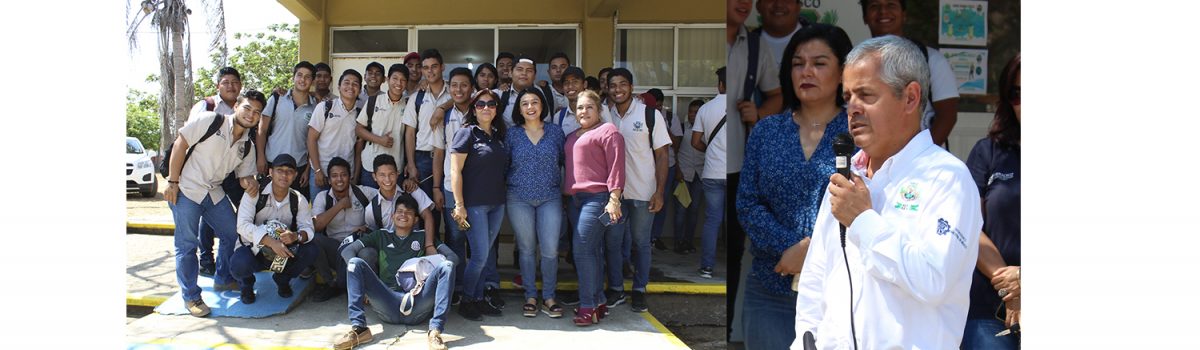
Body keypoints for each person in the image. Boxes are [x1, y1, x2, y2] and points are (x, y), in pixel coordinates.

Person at [792, 35, 983, 349]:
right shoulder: (847, 176)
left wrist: (864, 220)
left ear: (910, 98)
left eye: (866, 95)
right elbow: (816, 278)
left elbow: (933, 280)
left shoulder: (947, 178)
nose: (852, 108)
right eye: (848, 97)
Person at [734, 24, 852, 349]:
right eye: (798, 63)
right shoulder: (767, 131)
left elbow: (869, 208)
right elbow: (748, 204)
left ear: (844, 71)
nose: (806, 71)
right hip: (770, 286)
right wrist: (791, 248)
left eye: (819, 63)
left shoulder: (860, 132)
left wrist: (810, 254)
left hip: (839, 294)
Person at [164, 89, 265, 317]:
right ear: (237, 106)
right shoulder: (211, 120)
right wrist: (172, 181)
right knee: (187, 245)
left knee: (232, 234)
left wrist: (250, 183)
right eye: (247, 108)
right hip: (187, 189)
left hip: (214, 192)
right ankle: (191, 297)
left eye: (257, 112)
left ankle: (223, 278)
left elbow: (243, 177)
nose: (251, 114)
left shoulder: (247, 145)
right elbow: (181, 144)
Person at [727, 0, 785, 333]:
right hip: (713, 164)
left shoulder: (753, 43)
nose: (742, 4)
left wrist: (759, 112)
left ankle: (731, 329)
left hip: (739, 163)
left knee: (734, 251)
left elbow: (776, 95)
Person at [334, 193, 456, 350]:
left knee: (447, 266)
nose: (403, 215)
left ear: (416, 219)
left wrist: (431, 261)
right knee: (355, 263)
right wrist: (363, 288)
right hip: (387, 301)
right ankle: (359, 328)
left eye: (409, 212)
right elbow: (347, 251)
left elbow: (453, 258)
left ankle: (435, 331)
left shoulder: (423, 237)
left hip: (417, 301)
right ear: (392, 216)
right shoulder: (382, 235)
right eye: (399, 211)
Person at [961, 53, 1021, 350]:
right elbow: (969, 226)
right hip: (990, 307)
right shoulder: (988, 151)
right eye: (1017, 93)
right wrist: (1012, 289)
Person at [602, 68, 671, 313]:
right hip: (613, 196)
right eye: (613, 85)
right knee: (612, 242)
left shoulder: (649, 114)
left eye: (622, 84)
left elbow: (662, 155)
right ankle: (617, 289)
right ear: (607, 88)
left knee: (641, 243)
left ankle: (639, 290)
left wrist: (660, 191)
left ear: (631, 87)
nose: (617, 89)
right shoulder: (603, 114)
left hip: (643, 192)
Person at [859, 0, 960, 147]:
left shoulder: (931, 60)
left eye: (891, 5)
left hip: (921, 163)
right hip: (871, 160)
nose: (883, 11)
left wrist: (922, 154)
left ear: (904, 15)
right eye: (874, 6)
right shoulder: (856, 64)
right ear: (865, 17)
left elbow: (947, 116)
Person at [563, 90, 626, 326]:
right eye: (579, 107)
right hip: (574, 200)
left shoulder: (608, 131)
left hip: (598, 199)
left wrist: (614, 198)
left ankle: (587, 305)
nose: (583, 111)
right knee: (592, 251)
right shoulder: (571, 136)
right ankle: (598, 300)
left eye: (589, 107)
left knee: (582, 251)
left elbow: (617, 167)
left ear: (599, 110)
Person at [450, 89, 510, 321]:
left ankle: (477, 299)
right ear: (473, 109)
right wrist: (459, 204)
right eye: (481, 104)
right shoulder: (466, 134)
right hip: (474, 205)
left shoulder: (497, 135)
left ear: (497, 108)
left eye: (491, 104)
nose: (486, 108)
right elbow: (455, 170)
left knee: (485, 257)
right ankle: (467, 300)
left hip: (496, 204)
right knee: (479, 256)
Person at [507, 87, 567, 318]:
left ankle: (549, 296)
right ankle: (531, 295)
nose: (530, 107)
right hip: (518, 197)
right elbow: (506, 166)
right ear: (519, 109)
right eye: (525, 103)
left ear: (542, 105)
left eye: (534, 102)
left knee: (550, 250)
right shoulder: (512, 134)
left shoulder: (555, 132)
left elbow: (562, 161)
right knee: (527, 249)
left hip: (550, 197)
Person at [231, 154, 319, 304]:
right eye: (280, 170)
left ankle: (282, 280)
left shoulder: (298, 199)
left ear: (295, 175)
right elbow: (242, 225)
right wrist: (270, 241)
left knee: (311, 250)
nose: (284, 175)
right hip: (254, 249)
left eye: (289, 171)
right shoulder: (254, 193)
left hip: (282, 252)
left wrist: (296, 236)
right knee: (238, 264)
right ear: (270, 172)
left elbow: (308, 228)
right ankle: (246, 285)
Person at [190, 66, 243, 280]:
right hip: (205, 172)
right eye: (226, 82)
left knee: (240, 211)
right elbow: (190, 136)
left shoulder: (243, 107)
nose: (230, 86)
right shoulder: (207, 106)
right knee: (207, 216)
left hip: (232, 171)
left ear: (240, 85)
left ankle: (230, 262)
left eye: (234, 82)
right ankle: (206, 260)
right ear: (218, 85)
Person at [432, 67, 477, 305]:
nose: (459, 90)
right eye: (455, 85)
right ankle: (457, 287)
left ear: (472, 88)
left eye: (464, 85)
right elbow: (439, 155)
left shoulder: (482, 109)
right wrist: (437, 188)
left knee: (478, 240)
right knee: (456, 238)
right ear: (449, 88)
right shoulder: (445, 116)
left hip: (477, 188)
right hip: (451, 187)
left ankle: (480, 287)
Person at [309, 157, 379, 302]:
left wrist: (369, 228)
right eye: (334, 176)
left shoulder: (364, 192)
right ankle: (332, 284)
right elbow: (316, 225)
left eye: (343, 175)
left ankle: (354, 286)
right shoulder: (323, 197)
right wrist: (339, 205)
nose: (339, 179)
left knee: (369, 253)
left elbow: (388, 195)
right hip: (335, 249)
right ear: (329, 180)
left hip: (357, 248)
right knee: (313, 240)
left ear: (350, 177)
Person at [403, 48, 450, 259]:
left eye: (434, 67)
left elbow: (472, 97)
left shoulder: (455, 91)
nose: (430, 71)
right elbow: (409, 133)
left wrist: (443, 107)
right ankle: (423, 263)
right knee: (423, 215)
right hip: (422, 160)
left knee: (449, 214)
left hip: (451, 159)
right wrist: (411, 164)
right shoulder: (417, 97)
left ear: (442, 67)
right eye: (426, 68)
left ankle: (446, 263)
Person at [258, 61, 317, 198]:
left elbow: (313, 142)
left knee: (294, 209)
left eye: (308, 77)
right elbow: (262, 130)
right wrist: (260, 157)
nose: (303, 80)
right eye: (299, 75)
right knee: (266, 207)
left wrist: (308, 170)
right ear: (293, 77)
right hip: (272, 164)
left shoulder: (315, 107)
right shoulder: (277, 98)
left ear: (312, 81)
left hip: (298, 167)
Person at [356, 63, 411, 189]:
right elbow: (359, 129)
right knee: (370, 205)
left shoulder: (409, 105)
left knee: (394, 206)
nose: (398, 83)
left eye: (403, 80)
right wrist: (379, 140)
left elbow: (410, 136)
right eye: (395, 78)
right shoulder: (373, 101)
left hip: (396, 168)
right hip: (370, 167)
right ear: (387, 79)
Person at [645, 88, 683, 252]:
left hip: (667, 166)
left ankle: (655, 236)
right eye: (655, 107)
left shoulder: (669, 117)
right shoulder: (642, 115)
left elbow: (677, 144)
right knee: (643, 204)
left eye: (659, 107)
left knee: (661, 202)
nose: (657, 110)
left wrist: (662, 127)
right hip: (646, 168)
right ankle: (644, 238)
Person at [673, 98, 706, 255]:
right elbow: (675, 150)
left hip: (700, 174)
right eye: (691, 112)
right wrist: (678, 170)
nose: (693, 115)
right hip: (684, 174)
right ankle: (678, 241)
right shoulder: (682, 128)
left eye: (696, 112)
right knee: (680, 210)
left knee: (694, 210)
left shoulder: (707, 130)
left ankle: (688, 241)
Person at [754, 0, 810, 66]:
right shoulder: (745, 45)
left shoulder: (820, 40)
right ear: (758, 6)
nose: (779, 4)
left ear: (798, 6)